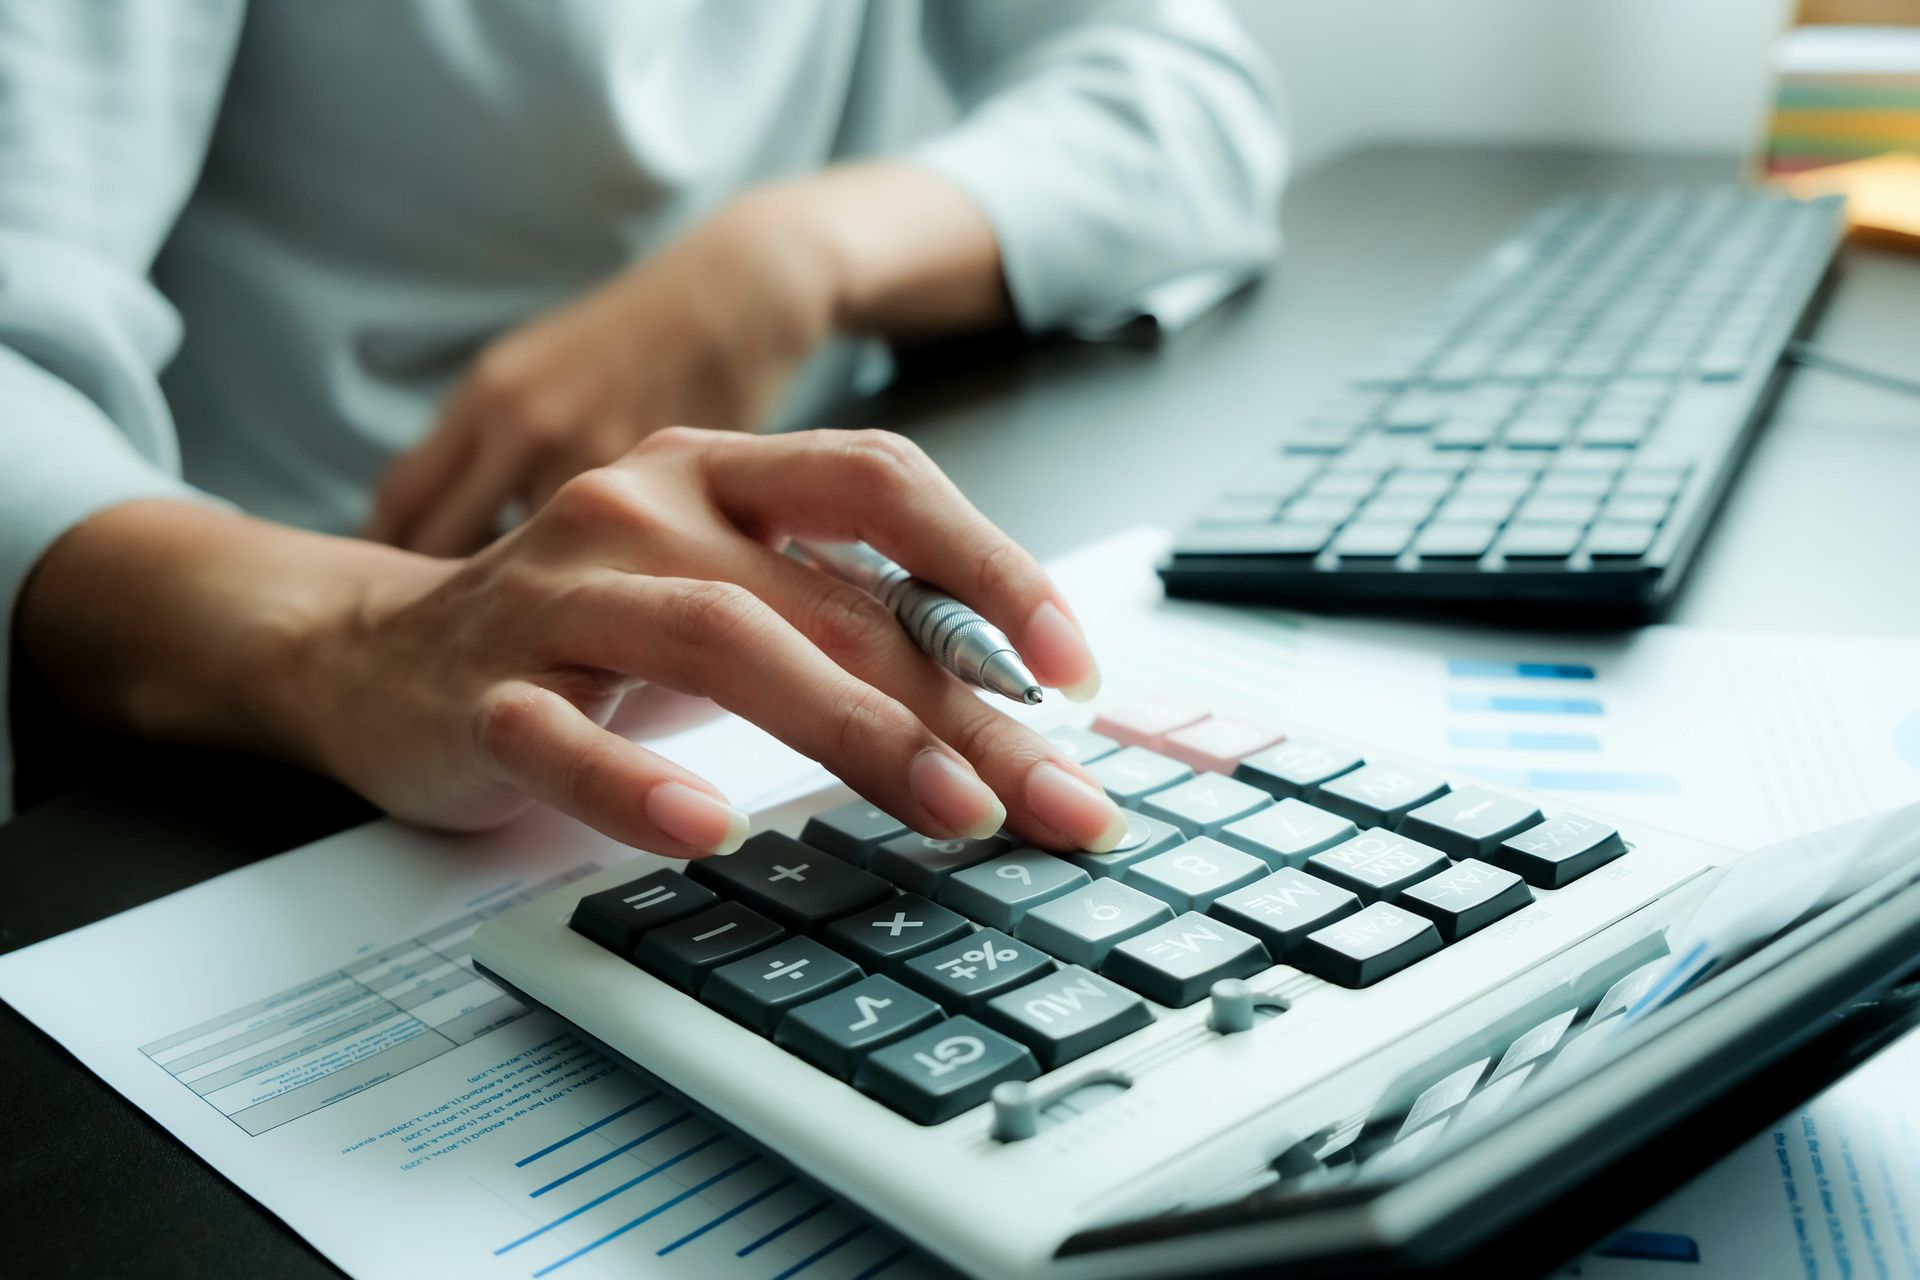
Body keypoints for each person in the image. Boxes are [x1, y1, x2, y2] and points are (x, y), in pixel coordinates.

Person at [0, 1, 1284, 855]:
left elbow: (1185, 93)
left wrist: (793, 256)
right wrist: (348, 635)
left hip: (753, 643)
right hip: (282, 686)